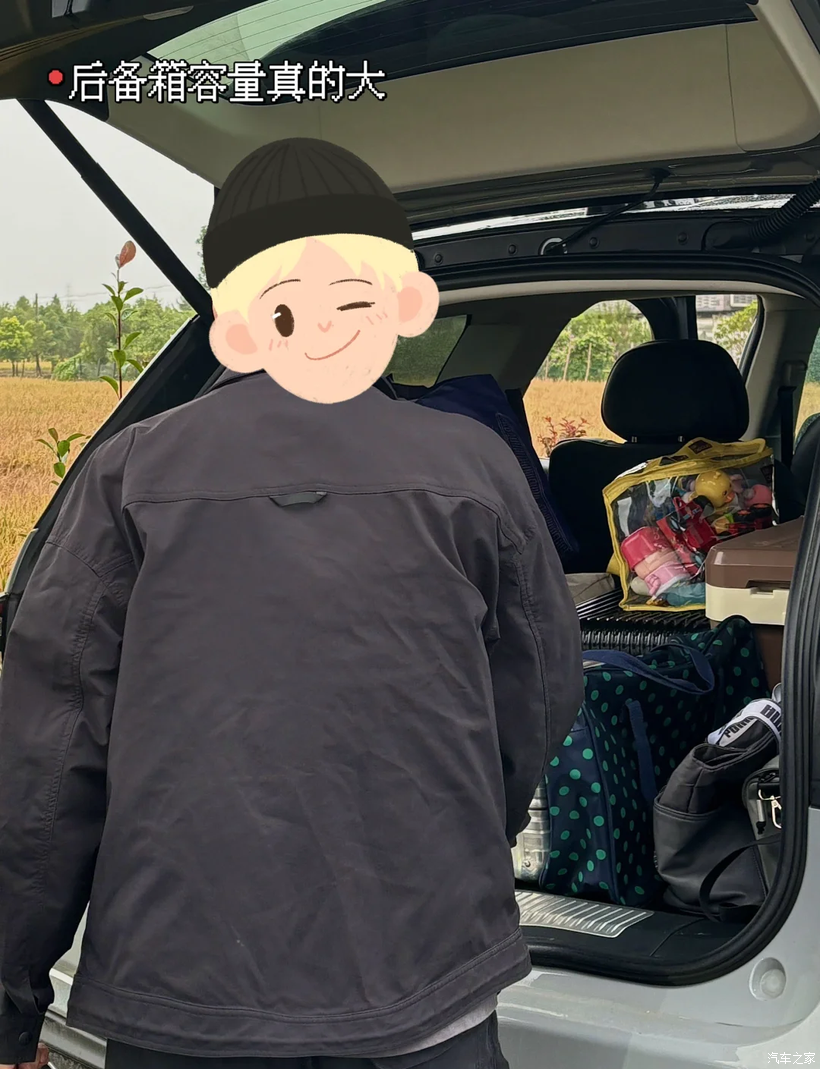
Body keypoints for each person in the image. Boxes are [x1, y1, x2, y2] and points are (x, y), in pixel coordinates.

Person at [0, 138, 584, 1069]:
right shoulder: (473, 468)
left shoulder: (130, 473)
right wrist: (457, 829)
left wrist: (11, 996)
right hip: (427, 975)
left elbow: (49, 752)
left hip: (185, 994)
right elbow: (541, 694)